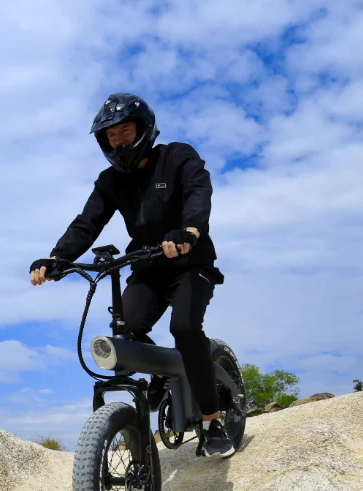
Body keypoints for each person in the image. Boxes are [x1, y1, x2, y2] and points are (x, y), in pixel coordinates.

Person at [29, 93, 234, 457]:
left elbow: (198, 194)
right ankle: (164, 375)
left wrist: (189, 232)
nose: (118, 139)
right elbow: (87, 223)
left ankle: (212, 421)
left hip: (190, 264)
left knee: (185, 330)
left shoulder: (177, 157)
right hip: (147, 268)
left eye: (125, 129)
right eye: (110, 135)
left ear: (143, 128)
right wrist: (57, 258)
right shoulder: (110, 181)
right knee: (127, 330)